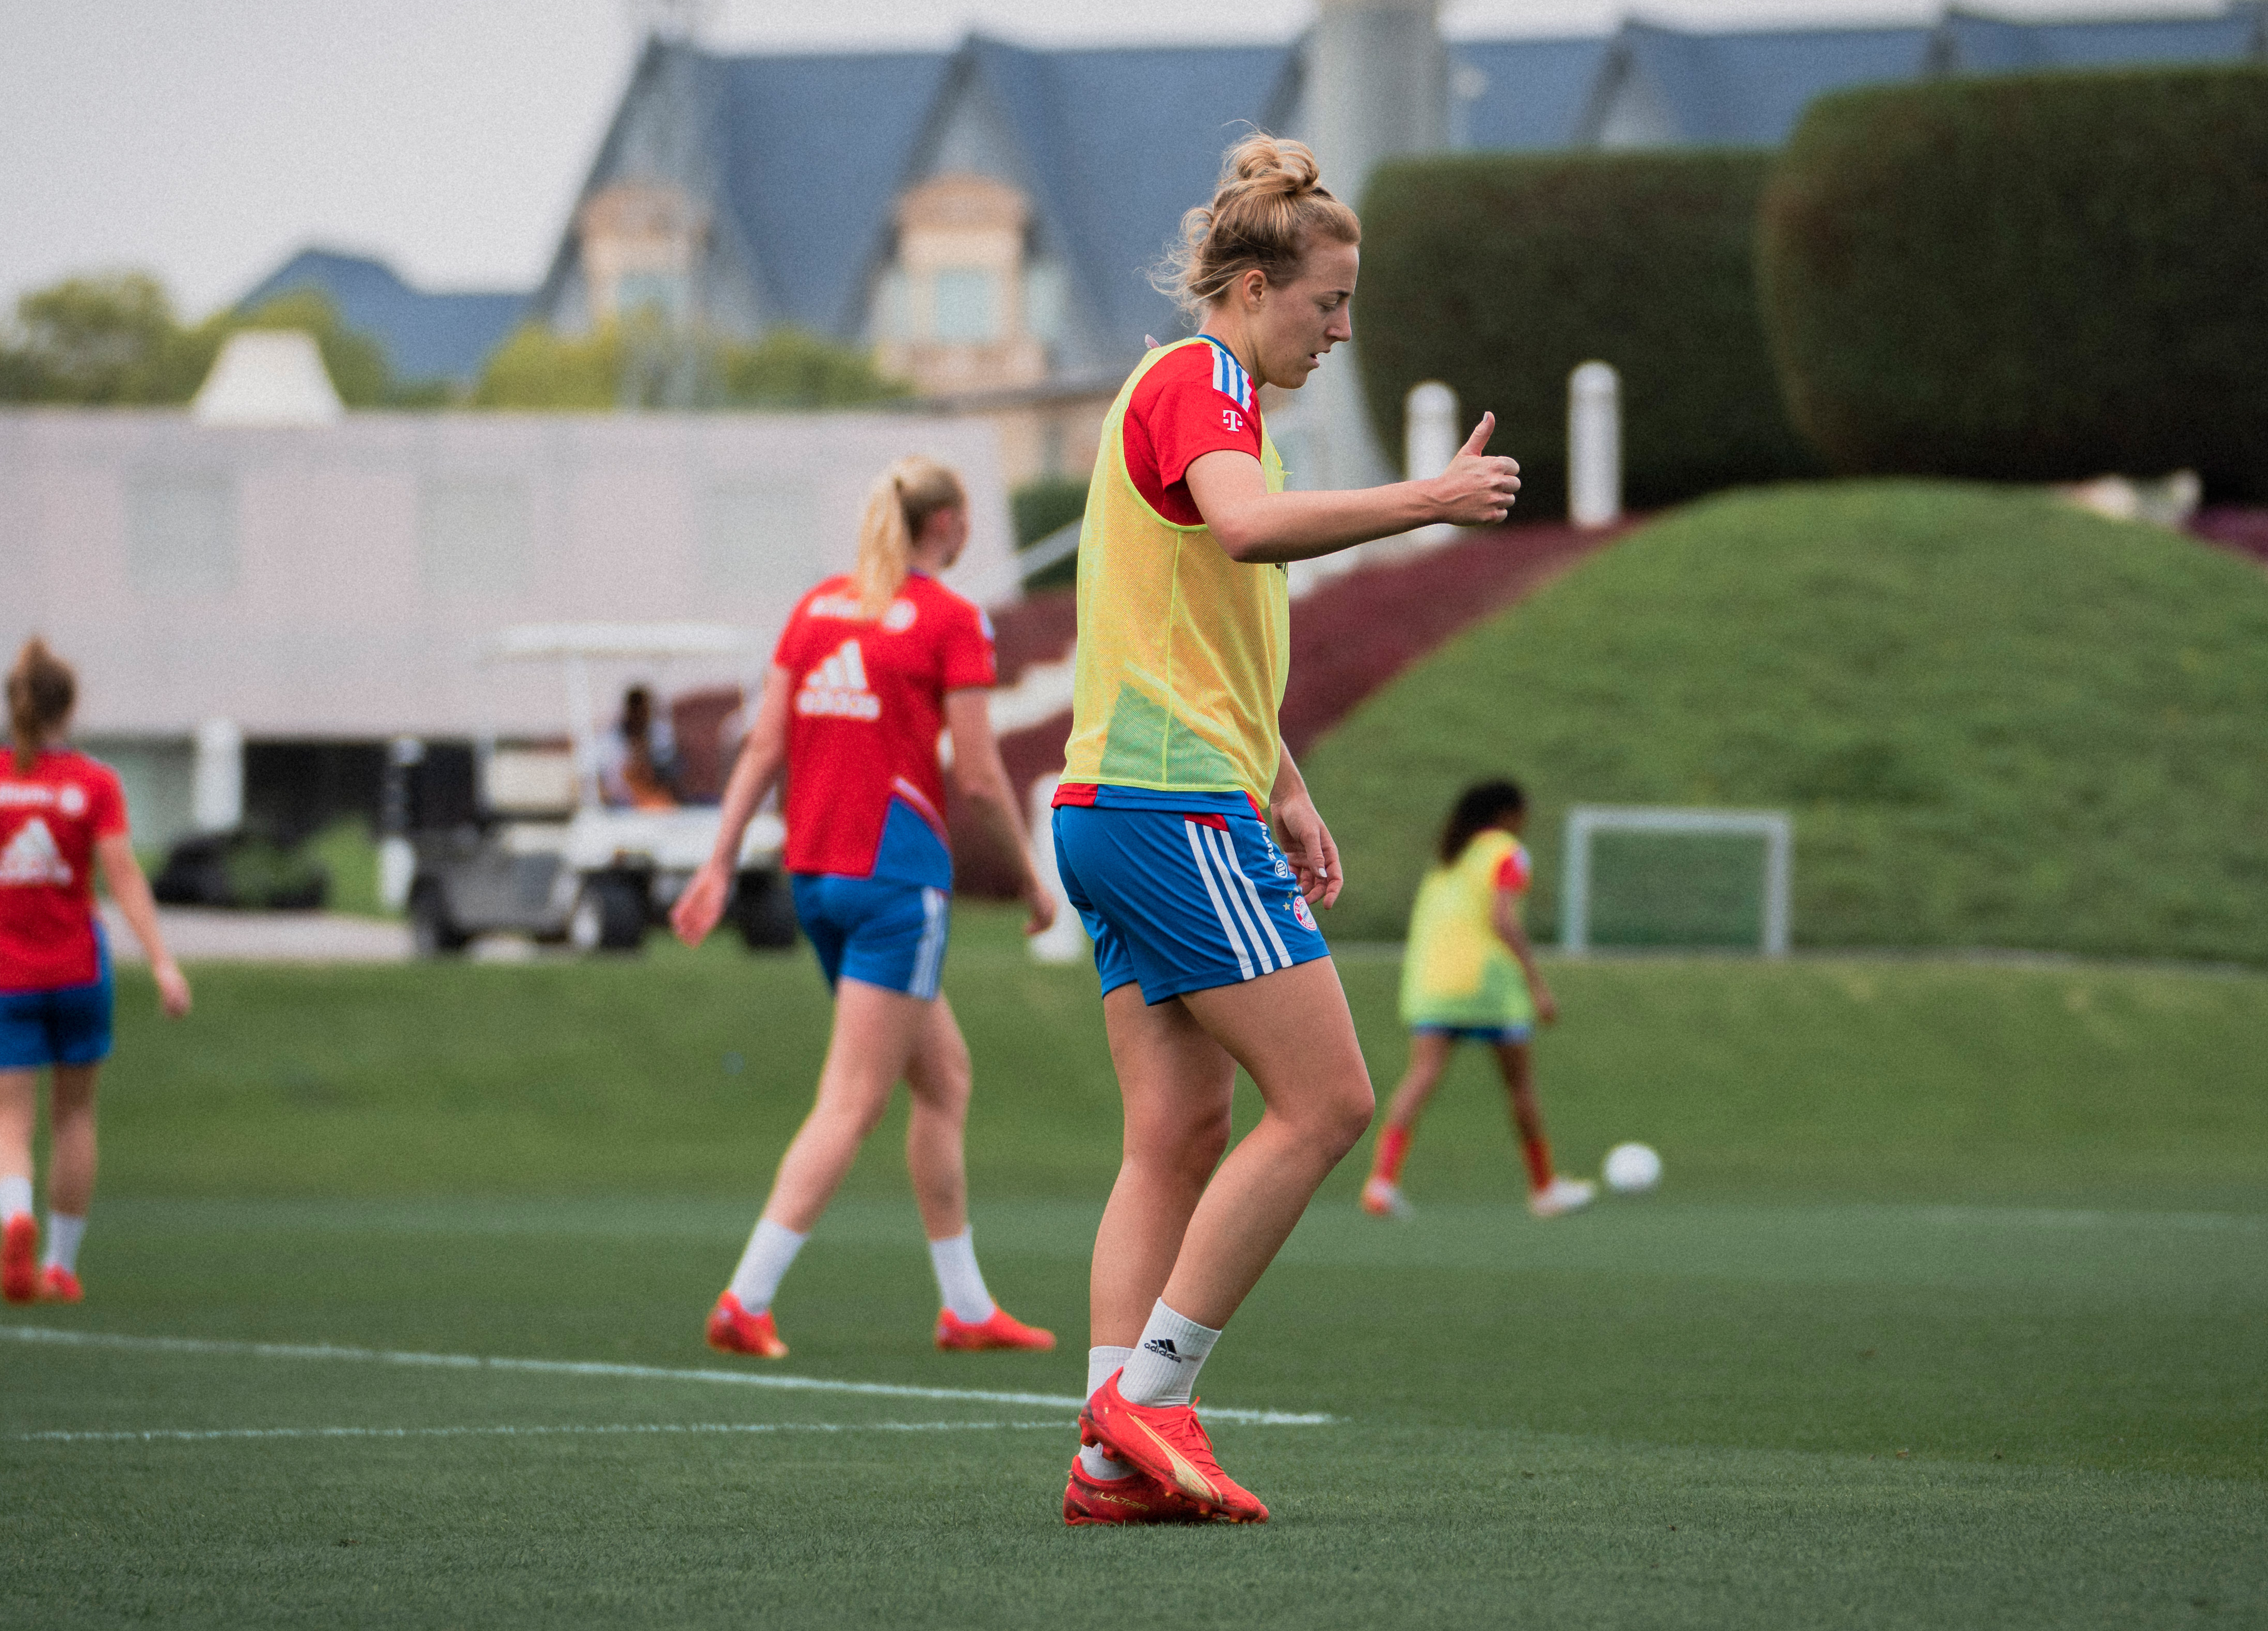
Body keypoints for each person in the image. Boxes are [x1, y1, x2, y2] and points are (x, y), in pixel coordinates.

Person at [1051, 132, 1521, 1526]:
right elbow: (1251, 536)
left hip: (1114, 800)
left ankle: (1104, 1453)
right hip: (1166, 804)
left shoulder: (1198, 393)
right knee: (1329, 1103)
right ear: (1253, 288)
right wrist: (1426, 500)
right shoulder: (1203, 381)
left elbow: (1198, 619)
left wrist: (1288, 779)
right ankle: (1157, 1390)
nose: (1344, 326)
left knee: (1177, 1129)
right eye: (1330, 301)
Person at [671, 455, 1061, 1361]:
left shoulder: (815, 607)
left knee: (945, 1077)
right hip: (895, 883)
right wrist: (1033, 880)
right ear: (951, 525)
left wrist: (719, 859)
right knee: (851, 1102)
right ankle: (746, 1295)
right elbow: (978, 775)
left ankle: (965, 1305)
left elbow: (764, 742)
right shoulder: (949, 618)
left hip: (817, 877)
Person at [0, 638, 192, 1304]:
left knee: (6, 1126)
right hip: (81, 966)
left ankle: (15, 1218)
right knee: (75, 1117)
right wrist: (163, 963)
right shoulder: (94, 784)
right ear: (70, 709)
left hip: (7, 968)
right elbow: (124, 876)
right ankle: (59, 1265)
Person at [1361, 779, 1593, 1222]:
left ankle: (1381, 1182)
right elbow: (1502, 919)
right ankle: (1544, 1189)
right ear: (1506, 814)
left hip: (1433, 985)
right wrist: (1538, 984)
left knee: (1420, 1077)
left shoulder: (1449, 856)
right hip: (1489, 986)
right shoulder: (1507, 852)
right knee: (1520, 1087)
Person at [599, 685, 681, 810]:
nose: (641, 715)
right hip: (621, 803)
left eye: (645, 710)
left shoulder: (661, 736)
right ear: (630, 710)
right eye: (638, 710)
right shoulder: (610, 741)